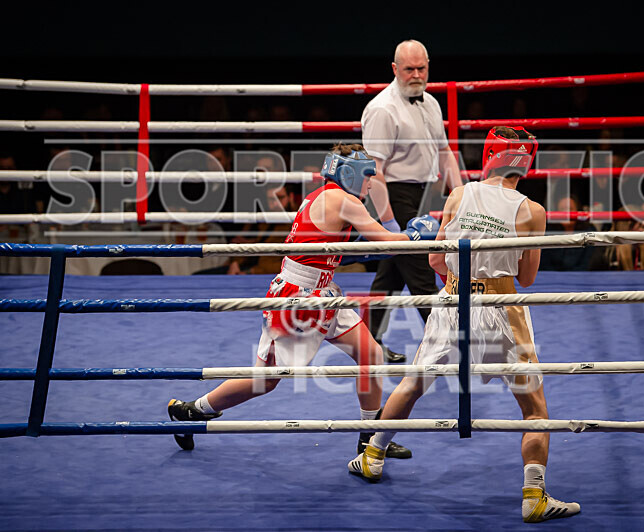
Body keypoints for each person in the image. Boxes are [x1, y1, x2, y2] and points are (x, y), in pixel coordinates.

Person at [347, 127, 580, 523]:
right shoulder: (532, 211)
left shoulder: (459, 194)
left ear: (490, 155)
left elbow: (436, 262)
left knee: (413, 383)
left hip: (453, 301)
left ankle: (372, 457)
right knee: (534, 408)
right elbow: (527, 278)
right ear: (526, 163)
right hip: (501, 308)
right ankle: (534, 496)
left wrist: (460, 281)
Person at [168, 143, 440, 459]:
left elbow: (333, 251)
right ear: (348, 173)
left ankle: (369, 437)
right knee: (266, 380)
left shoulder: (320, 196)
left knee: (370, 355)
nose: (370, 182)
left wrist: (386, 245)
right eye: (367, 174)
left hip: (321, 293)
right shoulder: (343, 200)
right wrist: (417, 235)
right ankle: (192, 411)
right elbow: (388, 243)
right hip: (298, 299)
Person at [361, 39, 463, 363]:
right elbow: (373, 172)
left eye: (422, 68)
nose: (416, 74)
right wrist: (389, 224)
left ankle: (369, 345)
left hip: (422, 195)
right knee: (421, 272)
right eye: (409, 69)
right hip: (393, 194)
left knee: (390, 275)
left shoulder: (431, 103)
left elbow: (445, 153)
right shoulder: (382, 109)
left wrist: (461, 196)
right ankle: (449, 346)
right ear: (395, 69)